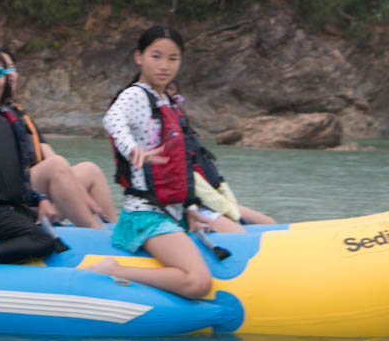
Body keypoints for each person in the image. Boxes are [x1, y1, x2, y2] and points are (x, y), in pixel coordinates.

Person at [0, 48, 99, 265]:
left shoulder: (10, 118)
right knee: (41, 241)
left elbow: (18, 176)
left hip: (8, 206)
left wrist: (39, 199)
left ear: (5, 78)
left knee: (50, 226)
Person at [87, 26, 212, 299]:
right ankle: (115, 270)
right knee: (198, 283)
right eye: (156, 56)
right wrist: (132, 149)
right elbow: (113, 119)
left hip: (170, 212)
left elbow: (178, 165)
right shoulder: (136, 95)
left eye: (173, 58)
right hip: (145, 214)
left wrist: (188, 206)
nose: (164, 65)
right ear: (138, 57)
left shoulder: (165, 100)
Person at [0, 49, 118, 224]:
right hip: (9, 193)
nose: (8, 73)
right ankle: (92, 228)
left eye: (11, 67)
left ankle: (112, 233)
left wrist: (80, 193)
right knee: (56, 165)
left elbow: (50, 155)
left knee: (90, 170)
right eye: (0, 69)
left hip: (33, 187)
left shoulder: (20, 115)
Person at [165, 82, 276, 227]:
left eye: (176, 96)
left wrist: (224, 203)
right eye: (168, 94)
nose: (173, 100)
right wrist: (191, 207)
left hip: (208, 199)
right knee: (237, 230)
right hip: (187, 206)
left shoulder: (182, 128)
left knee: (269, 223)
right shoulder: (156, 129)